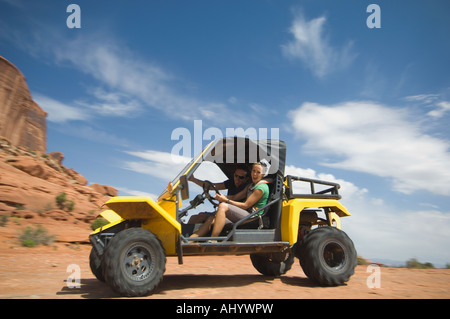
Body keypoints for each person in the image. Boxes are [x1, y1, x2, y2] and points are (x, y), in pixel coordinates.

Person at [190, 162, 270, 239]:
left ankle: (213, 240)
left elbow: (245, 205)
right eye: (253, 171)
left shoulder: (261, 188)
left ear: (263, 174)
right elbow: (235, 197)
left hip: (253, 217)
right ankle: (189, 241)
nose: (255, 174)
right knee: (211, 219)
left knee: (223, 206)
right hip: (245, 215)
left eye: (258, 172)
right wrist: (219, 197)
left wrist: (226, 201)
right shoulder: (251, 185)